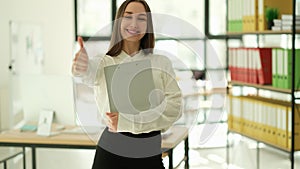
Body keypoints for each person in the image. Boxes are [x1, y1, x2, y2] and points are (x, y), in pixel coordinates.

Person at [72, 0, 182, 168]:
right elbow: (86, 73)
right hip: (111, 152)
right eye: (128, 17)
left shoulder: (160, 63)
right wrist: (80, 68)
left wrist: (127, 122)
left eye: (141, 19)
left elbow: (175, 108)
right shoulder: (102, 63)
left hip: (149, 151)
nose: (134, 24)